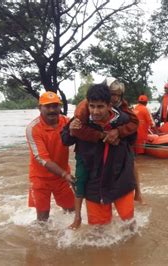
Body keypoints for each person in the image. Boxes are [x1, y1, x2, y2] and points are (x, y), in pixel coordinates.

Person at [63, 83, 137, 227]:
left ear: (109, 105)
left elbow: (132, 140)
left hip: (120, 179)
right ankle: (77, 218)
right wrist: (71, 130)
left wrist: (119, 132)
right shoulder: (79, 121)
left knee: (129, 224)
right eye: (92, 106)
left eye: (100, 106)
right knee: (98, 231)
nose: (95, 111)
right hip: (94, 184)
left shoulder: (123, 119)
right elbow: (65, 140)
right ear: (87, 105)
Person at [26, 91, 75, 222]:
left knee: (72, 211)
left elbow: (79, 145)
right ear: (39, 108)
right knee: (43, 218)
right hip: (40, 178)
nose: (52, 110)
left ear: (60, 107)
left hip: (62, 177)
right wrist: (65, 175)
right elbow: (42, 158)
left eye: (55, 106)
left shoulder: (68, 122)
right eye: (47, 106)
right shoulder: (33, 128)